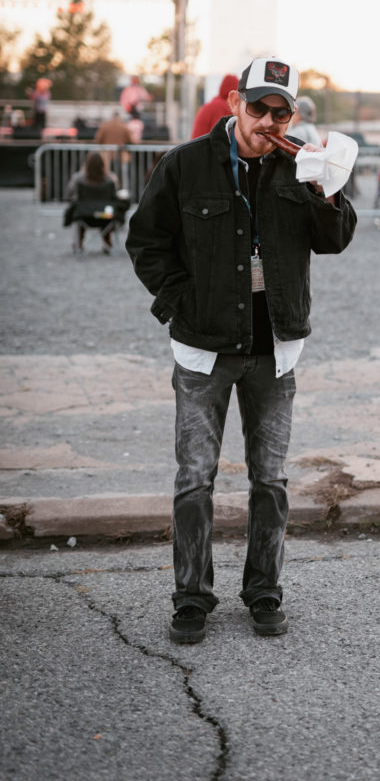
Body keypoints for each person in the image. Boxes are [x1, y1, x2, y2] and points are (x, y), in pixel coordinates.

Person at [126, 57, 357, 645]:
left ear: (293, 116)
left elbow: (334, 240)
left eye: (281, 112)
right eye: (258, 107)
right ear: (235, 104)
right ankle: (191, 597)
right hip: (203, 350)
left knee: (270, 481)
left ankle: (263, 592)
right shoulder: (185, 163)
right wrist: (180, 303)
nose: (267, 121)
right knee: (194, 480)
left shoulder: (301, 166)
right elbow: (146, 241)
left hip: (274, 349)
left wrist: (325, 187)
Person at [64, 151, 123, 254]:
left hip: (84, 216)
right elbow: (116, 194)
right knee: (107, 209)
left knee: (80, 208)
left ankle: (79, 242)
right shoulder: (111, 179)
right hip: (106, 216)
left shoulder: (78, 178)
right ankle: (107, 242)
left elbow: (70, 193)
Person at [191, 74, 239, 138]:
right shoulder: (220, 107)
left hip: (198, 143)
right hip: (204, 144)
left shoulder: (214, 104)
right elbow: (220, 136)